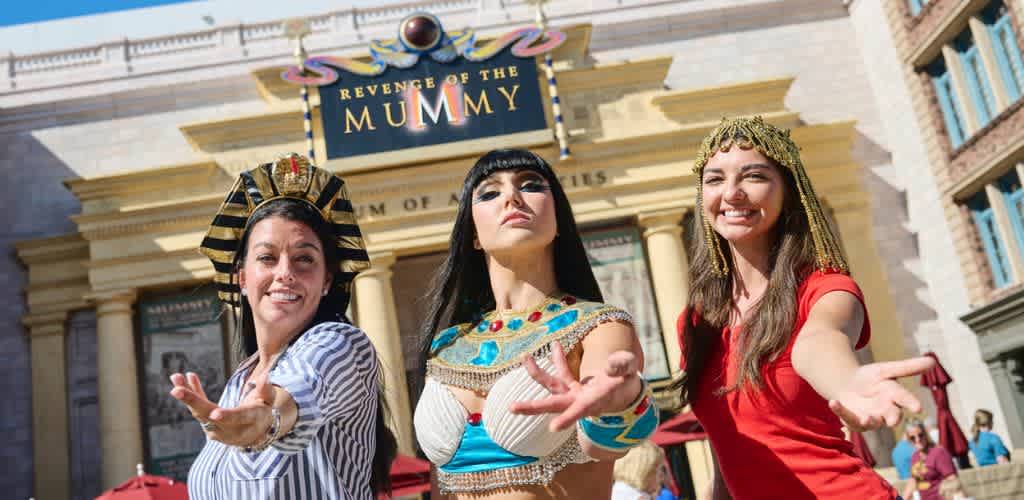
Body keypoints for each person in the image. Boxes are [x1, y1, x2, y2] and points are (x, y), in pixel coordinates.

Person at [673, 116, 936, 499]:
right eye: (714, 179)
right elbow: (728, 451)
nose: (731, 193)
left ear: (788, 190)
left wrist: (846, 381)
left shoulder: (826, 289)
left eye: (754, 176)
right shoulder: (698, 321)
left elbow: (819, 341)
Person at [414, 149, 658, 499]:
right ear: (474, 235)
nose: (512, 197)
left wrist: (618, 400)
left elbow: (605, 445)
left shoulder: (599, 326)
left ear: (558, 221)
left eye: (530, 186)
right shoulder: (446, 346)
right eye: (489, 192)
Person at [170, 154, 397, 499]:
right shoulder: (236, 384)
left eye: (304, 259)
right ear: (242, 278)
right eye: (267, 258)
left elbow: (300, 390)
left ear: (327, 280)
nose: (285, 273)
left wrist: (266, 419)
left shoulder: (341, 345)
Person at [903, 421, 957, 500]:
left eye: (920, 435)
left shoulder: (938, 453)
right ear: (909, 440)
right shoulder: (915, 456)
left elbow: (952, 480)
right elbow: (913, 481)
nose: (918, 440)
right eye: (912, 438)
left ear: (926, 434)